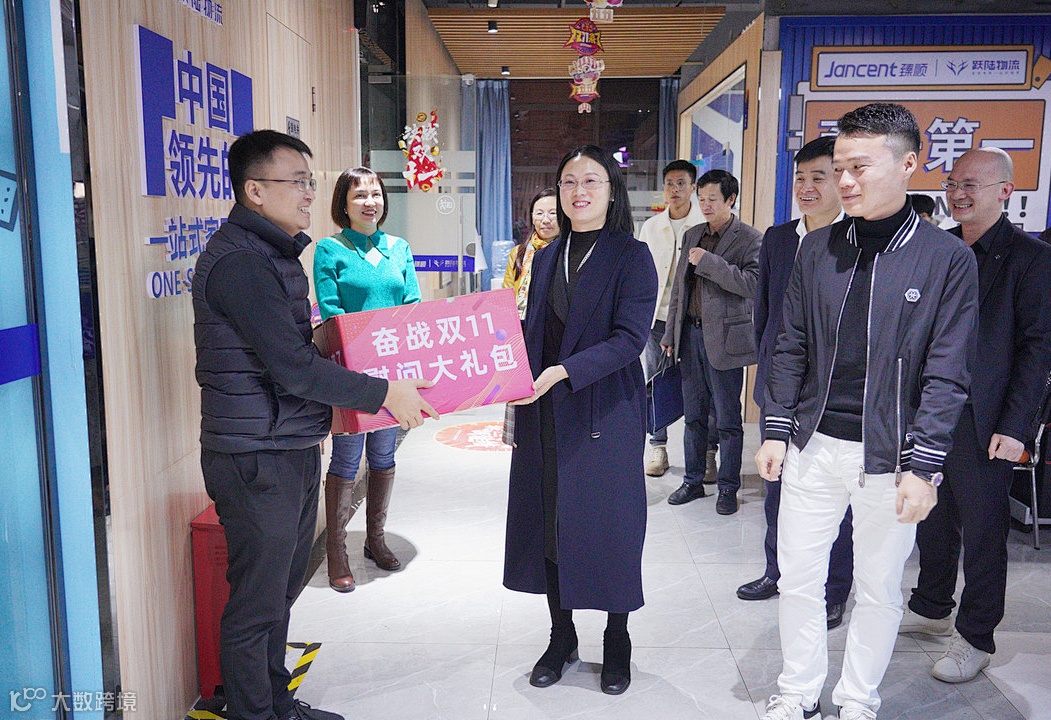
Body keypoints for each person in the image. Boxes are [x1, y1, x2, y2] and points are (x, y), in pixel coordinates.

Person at [192, 130, 437, 720]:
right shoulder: (241, 263)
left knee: (280, 591)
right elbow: (292, 369)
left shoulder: (271, 254)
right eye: (298, 182)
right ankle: (253, 713)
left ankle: (277, 703)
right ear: (255, 190)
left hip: (288, 443)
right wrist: (384, 393)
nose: (308, 193)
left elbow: (290, 350)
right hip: (256, 453)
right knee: (257, 602)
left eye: (309, 180)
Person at [755, 103, 978, 720]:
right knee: (799, 577)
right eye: (840, 167)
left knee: (878, 588)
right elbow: (790, 343)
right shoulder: (816, 248)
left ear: (908, 164)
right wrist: (776, 427)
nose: (845, 181)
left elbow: (948, 371)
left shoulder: (945, 258)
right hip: (813, 444)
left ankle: (857, 699)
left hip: (892, 455)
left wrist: (924, 465)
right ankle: (798, 691)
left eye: (860, 167)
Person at [503, 144, 657, 696]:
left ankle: (617, 638)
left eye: (591, 180)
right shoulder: (547, 255)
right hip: (547, 411)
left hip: (606, 409)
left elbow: (630, 339)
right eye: (568, 181)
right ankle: (561, 635)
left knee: (611, 526)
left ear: (612, 192)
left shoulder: (632, 256)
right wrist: (503, 375)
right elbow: (531, 332)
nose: (578, 191)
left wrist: (565, 371)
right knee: (551, 524)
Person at [899, 147, 1051, 682]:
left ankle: (976, 636)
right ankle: (931, 607)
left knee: (984, 533)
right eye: (952, 183)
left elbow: (1039, 349)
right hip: (931, 410)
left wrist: (1017, 427)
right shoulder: (936, 248)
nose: (958, 194)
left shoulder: (1031, 258)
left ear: (1005, 191)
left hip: (988, 420)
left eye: (971, 185)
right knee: (932, 517)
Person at [737, 136, 854, 631]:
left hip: (832, 392)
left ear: (841, 181)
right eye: (800, 178)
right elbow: (764, 312)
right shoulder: (780, 238)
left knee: (835, 498)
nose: (806, 187)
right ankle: (776, 572)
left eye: (818, 177)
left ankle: (833, 589)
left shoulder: (856, 239)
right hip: (779, 385)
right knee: (776, 485)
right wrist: (766, 373)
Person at [313, 167, 422, 593]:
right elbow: (331, 312)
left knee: (383, 454)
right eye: (359, 195)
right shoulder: (330, 249)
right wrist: (366, 353)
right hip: (351, 375)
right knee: (345, 459)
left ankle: (375, 540)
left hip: (394, 374)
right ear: (344, 203)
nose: (369, 202)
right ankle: (336, 551)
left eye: (375, 193)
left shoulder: (399, 247)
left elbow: (412, 304)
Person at [662, 169, 762, 515]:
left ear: (730, 199)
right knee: (693, 416)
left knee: (728, 420)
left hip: (726, 341)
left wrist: (711, 263)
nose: (705, 205)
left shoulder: (750, 238)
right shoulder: (692, 234)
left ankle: (728, 487)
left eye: (712, 199)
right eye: (701, 199)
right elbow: (680, 289)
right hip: (690, 336)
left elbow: (752, 285)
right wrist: (670, 333)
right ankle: (692, 481)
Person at [637, 160, 705, 477]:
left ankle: (706, 452)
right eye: (669, 184)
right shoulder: (651, 227)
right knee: (654, 381)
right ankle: (658, 446)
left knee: (698, 384)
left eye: (681, 183)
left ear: (693, 187)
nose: (674, 190)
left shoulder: (705, 223)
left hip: (693, 318)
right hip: (658, 318)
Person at [504, 187, 559, 319]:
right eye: (539, 213)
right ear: (532, 218)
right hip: (522, 323)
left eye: (553, 213)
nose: (545, 220)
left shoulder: (568, 252)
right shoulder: (517, 253)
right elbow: (506, 297)